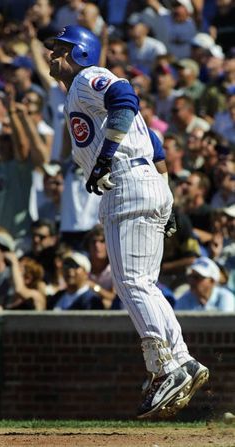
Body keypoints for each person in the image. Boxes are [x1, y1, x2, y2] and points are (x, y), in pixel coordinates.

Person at [45, 24, 209, 420]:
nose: (52, 56)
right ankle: (180, 360)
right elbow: (153, 143)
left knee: (131, 283)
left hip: (125, 182)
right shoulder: (78, 93)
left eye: (60, 48)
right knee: (143, 284)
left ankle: (167, 366)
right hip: (145, 181)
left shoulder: (87, 77)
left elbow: (124, 96)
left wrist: (106, 158)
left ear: (80, 52)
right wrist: (165, 196)